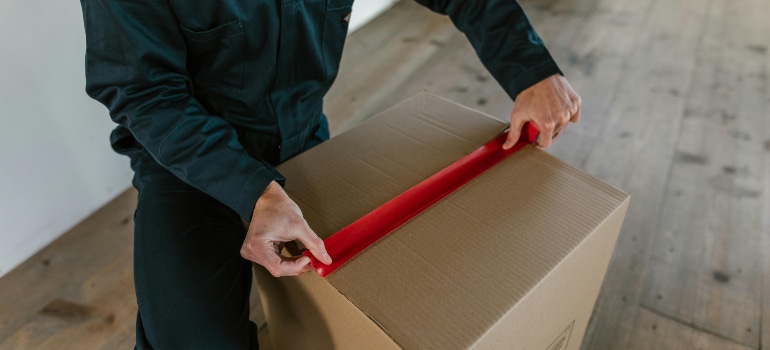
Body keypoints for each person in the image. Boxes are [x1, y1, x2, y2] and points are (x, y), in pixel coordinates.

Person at [79, 0, 581, 348]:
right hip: (186, 167)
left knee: (368, 312)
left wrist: (531, 67)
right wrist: (253, 192)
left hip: (301, 141)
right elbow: (143, 92)